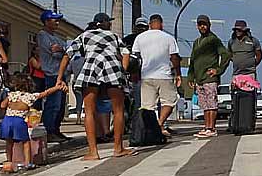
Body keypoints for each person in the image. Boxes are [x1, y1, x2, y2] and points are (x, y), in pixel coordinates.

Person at [56, 13, 134, 160]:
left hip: (91, 68)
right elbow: (126, 52)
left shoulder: (84, 36)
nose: (110, 25)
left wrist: (60, 78)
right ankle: (118, 148)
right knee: (118, 111)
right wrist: (123, 70)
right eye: (109, 22)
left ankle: (93, 151)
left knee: (89, 111)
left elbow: (68, 54)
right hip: (112, 67)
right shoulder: (113, 36)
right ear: (104, 23)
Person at [0, 73, 67, 168]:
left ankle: (9, 161)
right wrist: (57, 87)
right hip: (19, 121)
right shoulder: (30, 96)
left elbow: (2, 105)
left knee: (9, 142)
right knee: (25, 142)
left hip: (7, 120)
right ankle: (28, 162)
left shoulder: (11, 95)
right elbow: (45, 93)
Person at [129, 14, 182, 136]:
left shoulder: (140, 38)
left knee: (147, 106)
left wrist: (135, 73)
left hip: (146, 76)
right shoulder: (168, 38)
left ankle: (150, 130)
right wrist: (178, 73)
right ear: (161, 24)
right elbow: (174, 57)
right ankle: (159, 124)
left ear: (149, 24)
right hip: (164, 75)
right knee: (169, 101)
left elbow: (135, 58)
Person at [188, 15, 231, 138]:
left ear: (209, 25)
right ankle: (206, 126)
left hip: (210, 78)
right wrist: (191, 76)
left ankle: (212, 128)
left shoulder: (213, 39)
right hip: (199, 78)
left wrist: (218, 70)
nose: (202, 26)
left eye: (204, 24)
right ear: (197, 26)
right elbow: (193, 59)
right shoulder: (196, 42)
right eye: (200, 24)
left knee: (212, 103)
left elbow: (226, 55)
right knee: (204, 104)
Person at [37, 10, 71, 141]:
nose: (57, 22)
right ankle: (49, 131)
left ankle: (56, 129)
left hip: (61, 74)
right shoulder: (43, 35)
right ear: (46, 21)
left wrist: (61, 49)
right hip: (52, 74)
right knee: (53, 104)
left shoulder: (57, 38)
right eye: (54, 20)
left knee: (61, 105)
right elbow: (53, 52)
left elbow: (66, 51)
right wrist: (61, 51)